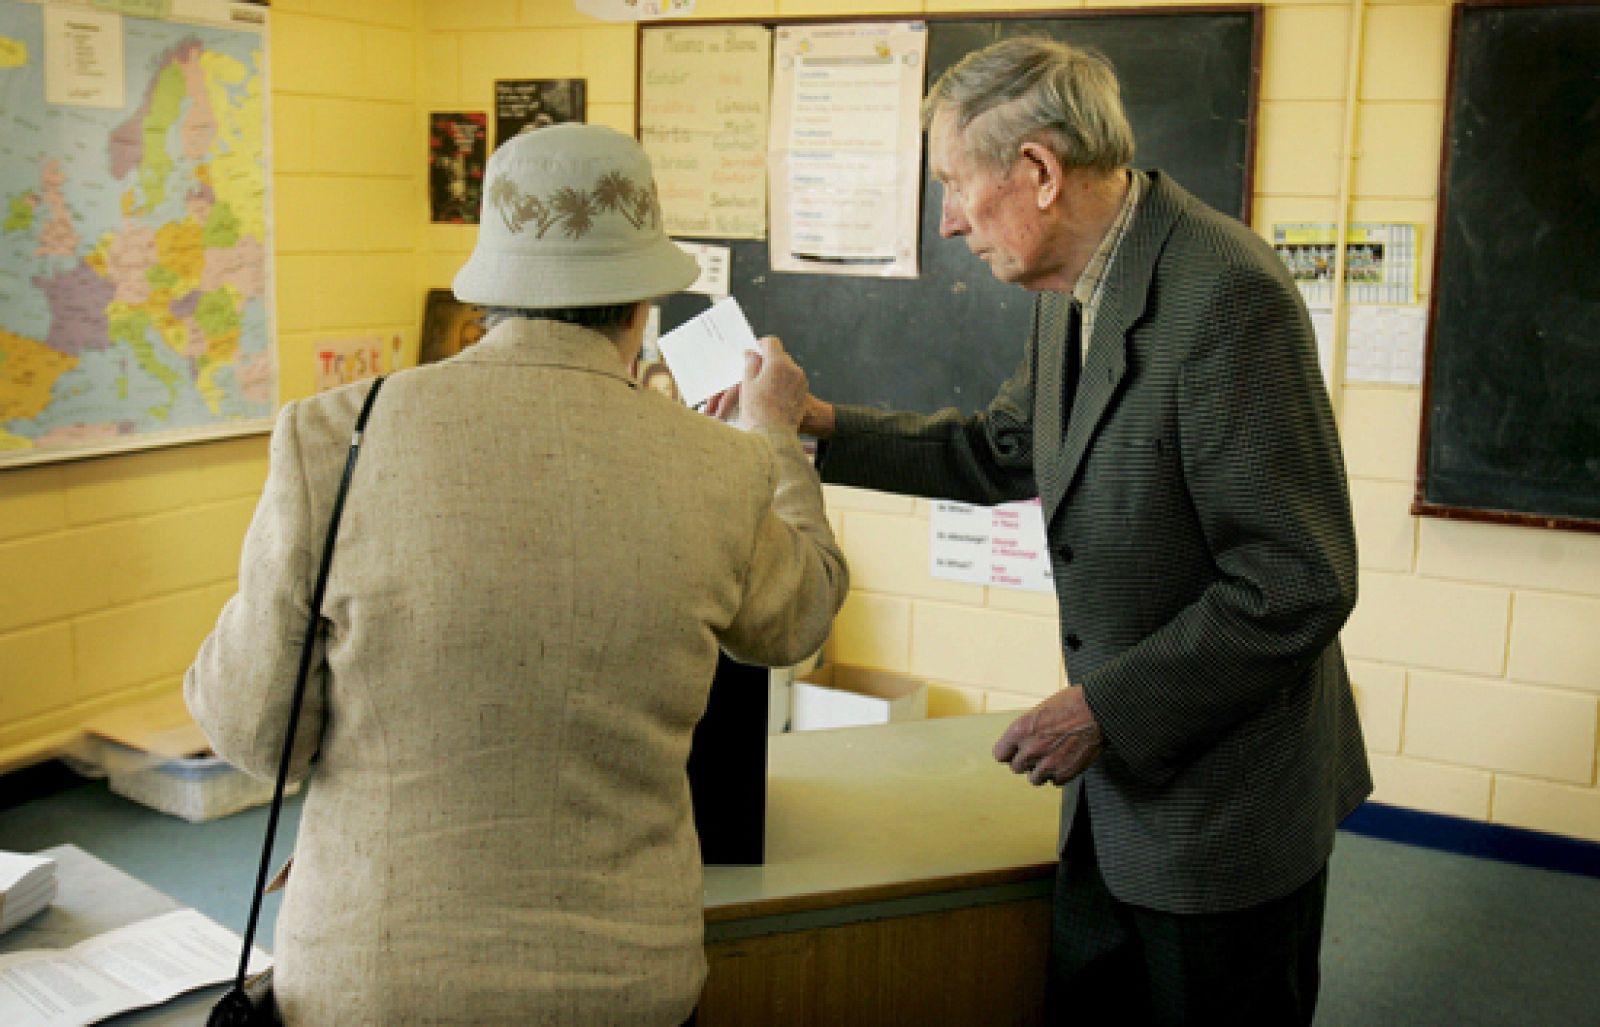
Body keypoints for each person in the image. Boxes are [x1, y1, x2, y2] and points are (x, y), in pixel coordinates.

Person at [719, 36, 1371, 1024]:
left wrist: (1103, 707)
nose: (946, 220)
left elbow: (1298, 579)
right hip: (1110, 797)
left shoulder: (1226, 295)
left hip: (1221, 815)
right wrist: (816, 423)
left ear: (1037, 171)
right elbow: (1001, 449)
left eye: (952, 185)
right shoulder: (1075, 282)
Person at [186, 123, 848, 1024]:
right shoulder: (720, 465)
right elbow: (802, 613)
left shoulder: (334, 437)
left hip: (377, 981)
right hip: (623, 987)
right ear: (642, 305)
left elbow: (255, 731)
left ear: (489, 292)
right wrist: (772, 433)